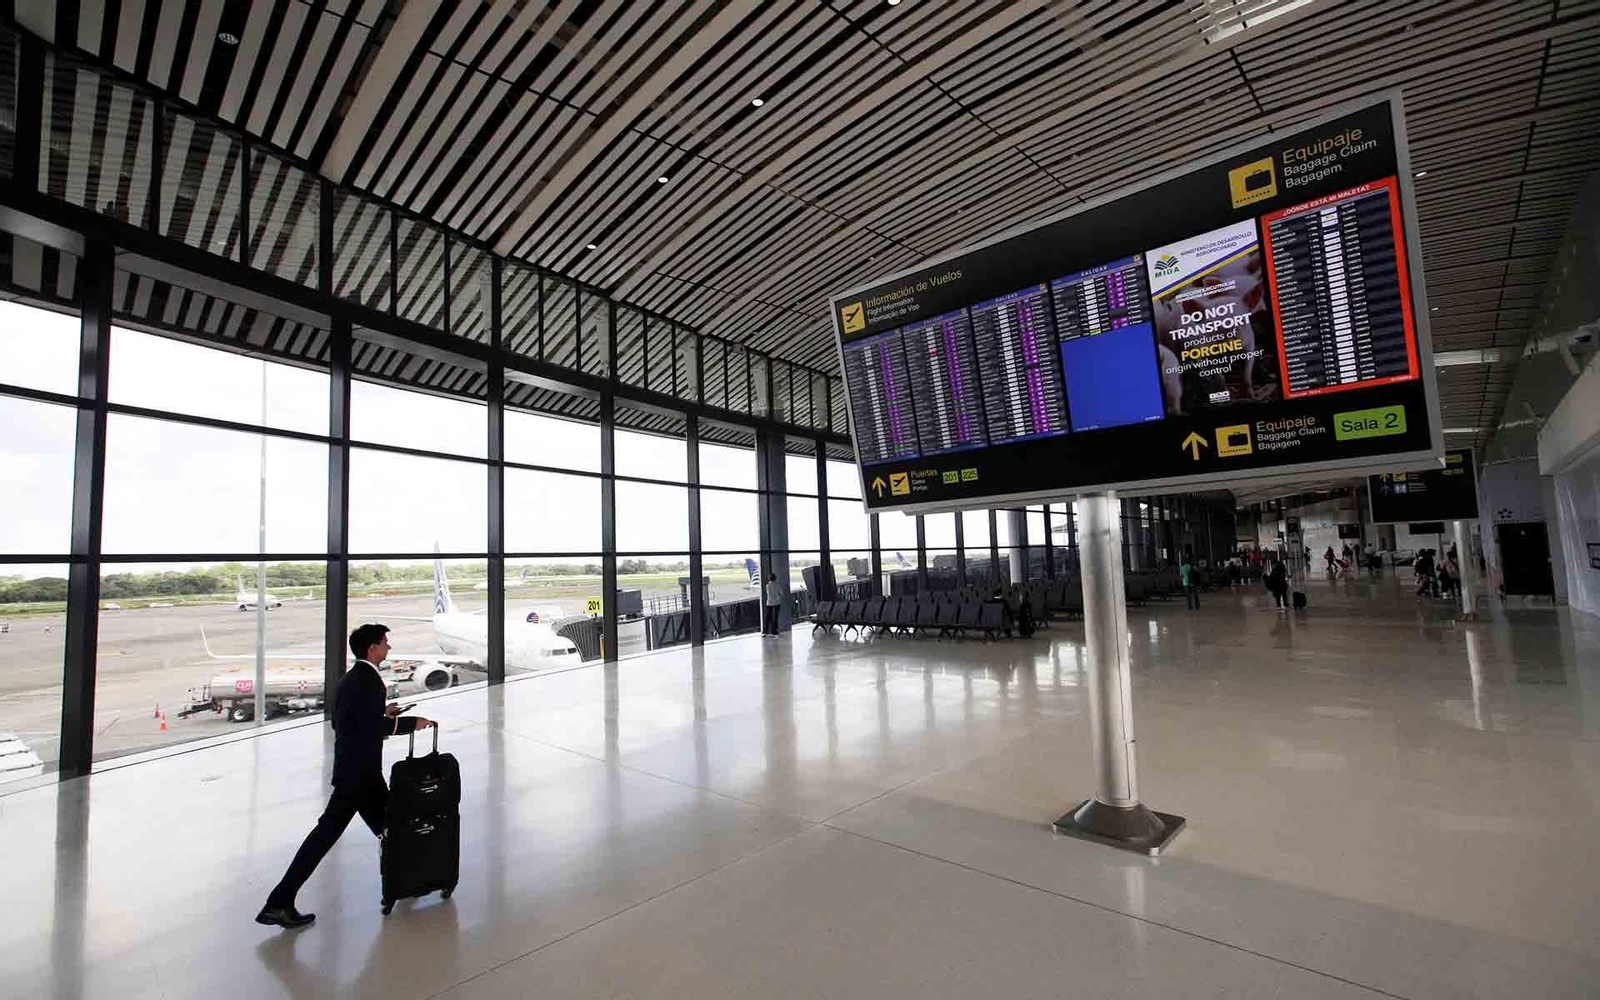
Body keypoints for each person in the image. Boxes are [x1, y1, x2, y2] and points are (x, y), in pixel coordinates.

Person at [256, 624, 434, 929]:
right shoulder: (368, 681)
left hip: (360, 772)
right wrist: (408, 723)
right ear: (372, 648)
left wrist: (385, 714)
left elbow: (345, 722)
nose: (389, 648)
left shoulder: (353, 679)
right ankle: (278, 902)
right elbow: (366, 728)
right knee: (327, 835)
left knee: (391, 827)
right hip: (358, 776)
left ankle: (404, 882)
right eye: (385, 643)